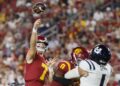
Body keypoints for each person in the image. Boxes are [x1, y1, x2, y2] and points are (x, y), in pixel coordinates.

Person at [24, 19, 49, 86]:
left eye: (43, 44)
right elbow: (32, 45)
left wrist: (51, 71)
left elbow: (48, 82)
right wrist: (34, 29)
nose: (41, 45)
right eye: (39, 43)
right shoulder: (33, 54)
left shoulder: (45, 61)